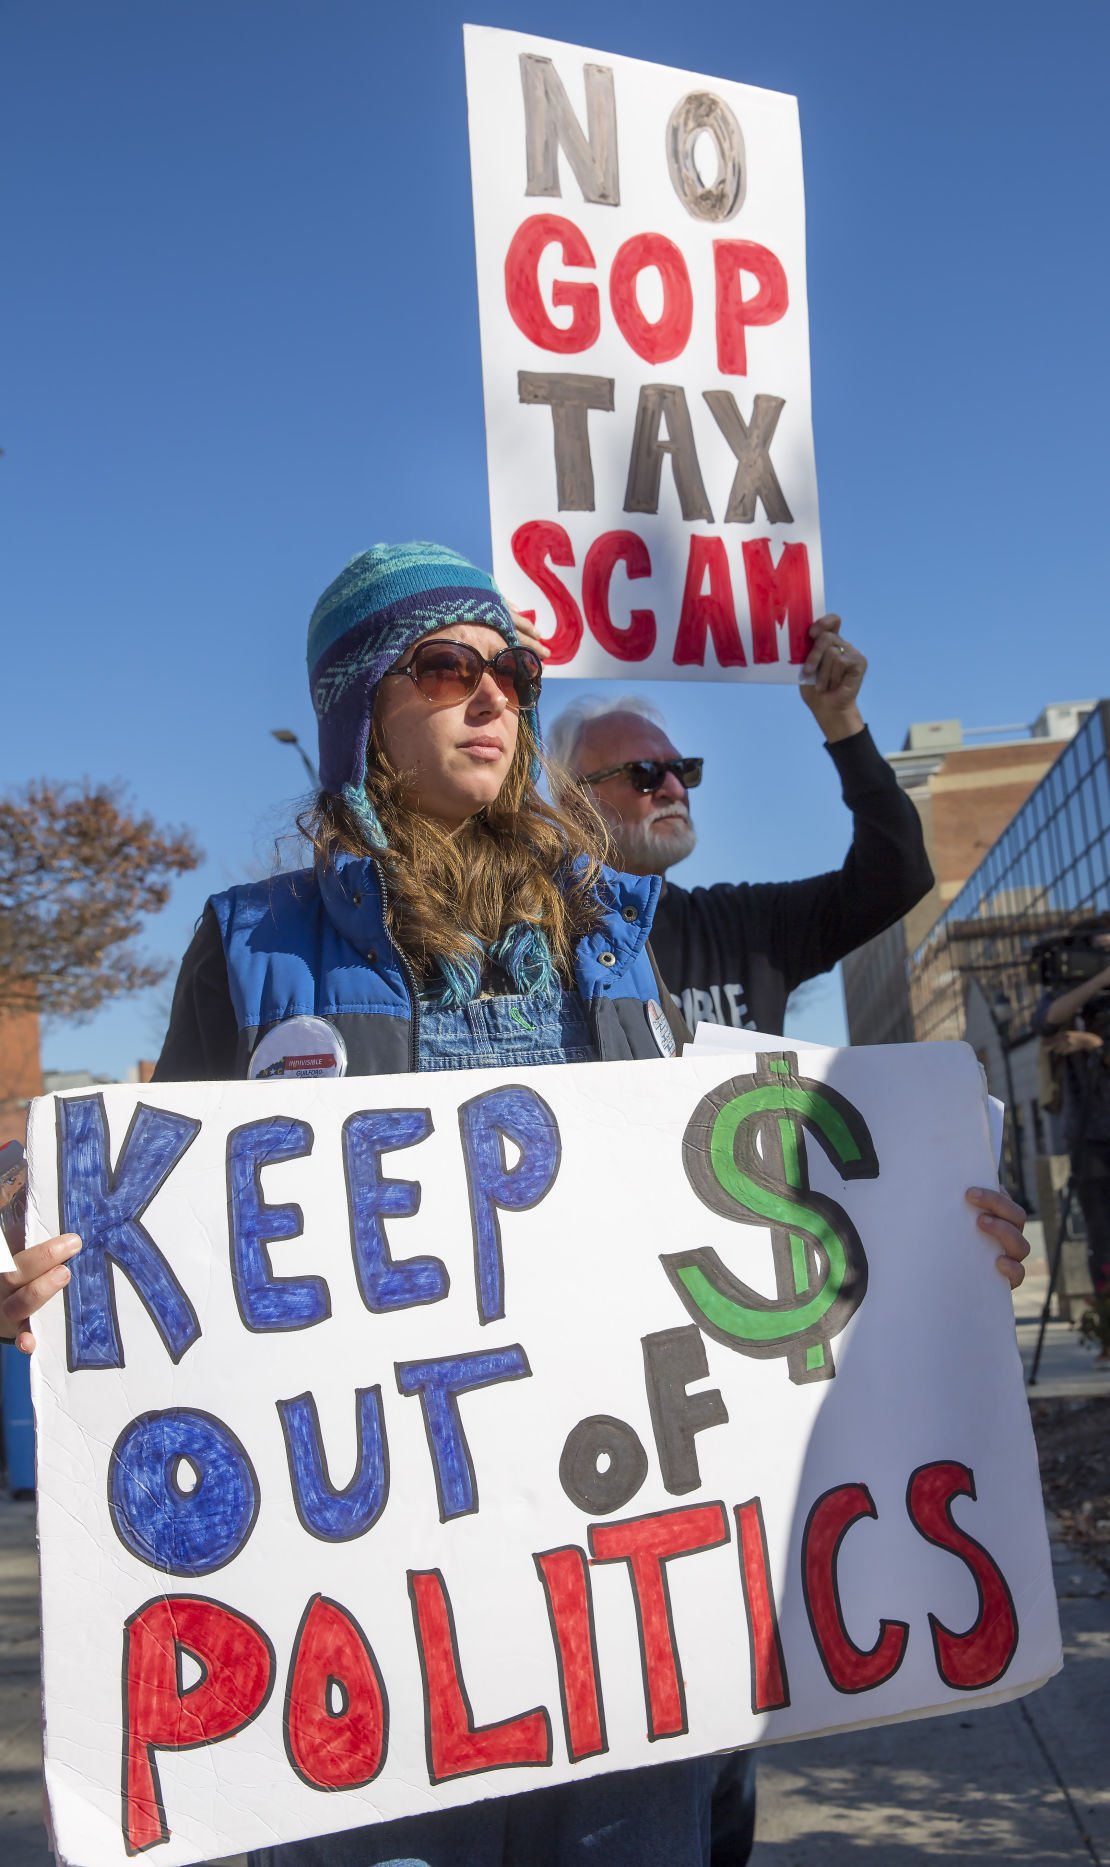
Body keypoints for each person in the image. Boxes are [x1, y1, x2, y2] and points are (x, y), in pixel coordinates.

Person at [2, 543, 1029, 1867]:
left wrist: (928, 1247)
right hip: (366, 1640)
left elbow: (733, 1206)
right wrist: (48, 1265)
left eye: (512, 672)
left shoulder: (624, 927)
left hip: (614, 1625)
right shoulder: (252, 943)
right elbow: (170, 1224)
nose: (492, 696)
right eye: (446, 667)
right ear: (357, 705)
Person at [540, 615, 933, 1037]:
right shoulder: (533, 939)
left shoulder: (746, 928)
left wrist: (841, 719)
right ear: (574, 803)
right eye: (645, 772)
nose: (673, 788)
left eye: (683, 770)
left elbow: (898, 875)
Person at [1034, 929, 1110, 1304]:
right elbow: (1046, 1020)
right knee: (1100, 1231)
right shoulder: (1069, 994)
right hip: (1086, 1131)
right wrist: (1099, 980)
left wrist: (1095, 1044)